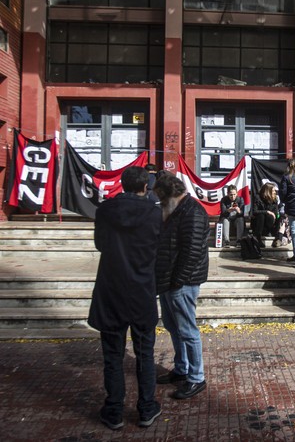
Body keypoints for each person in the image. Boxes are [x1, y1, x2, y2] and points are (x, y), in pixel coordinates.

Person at [88, 166, 162, 430]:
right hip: (141, 289)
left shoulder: (105, 210)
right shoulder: (155, 213)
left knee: (112, 354)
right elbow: (159, 248)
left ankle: (114, 410)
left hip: (111, 288)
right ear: (145, 187)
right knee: (145, 353)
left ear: (121, 184)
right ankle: (146, 407)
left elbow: (100, 244)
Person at [153, 174, 209, 400]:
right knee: (173, 326)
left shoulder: (192, 212)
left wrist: (178, 280)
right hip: (170, 279)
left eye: (162, 198)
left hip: (182, 281)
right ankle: (182, 367)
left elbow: (192, 252)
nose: (161, 203)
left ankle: (196, 377)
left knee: (187, 329)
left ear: (173, 194)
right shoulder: (177, 209)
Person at [251, 182, 282, 248]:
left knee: (280, 217)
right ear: (268, 191)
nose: (275, 192)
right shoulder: (258, 198)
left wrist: (278, 216)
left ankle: (277, 238)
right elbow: (254, 211)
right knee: (261, 215)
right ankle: (258, 238)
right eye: (273, 190)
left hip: (270, 223)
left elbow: (276, 213)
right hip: (258, 223)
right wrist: (267, 212)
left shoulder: (275, 199)